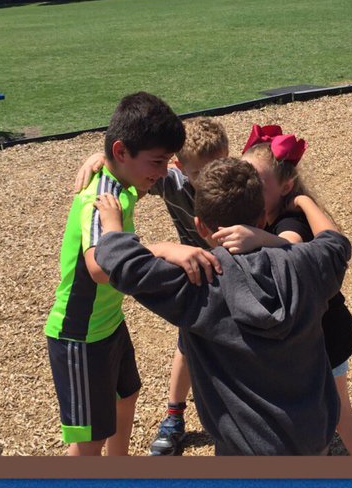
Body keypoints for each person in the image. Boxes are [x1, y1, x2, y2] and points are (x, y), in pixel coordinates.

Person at [95, 156, 351, 455]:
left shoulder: (197, 285)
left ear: (200, 226)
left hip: (243, 451)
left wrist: (120, 229)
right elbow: (335, 243)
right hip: (312, 438)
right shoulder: (304, 265)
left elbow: (121, 263)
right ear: (260, 220)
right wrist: (304, 202)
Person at [44, 92, 220, 456]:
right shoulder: (100, 198)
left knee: (127, 394)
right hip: (80, 332)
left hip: (107, 322)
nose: (159, 173)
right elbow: (98, 267)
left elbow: (127, 169)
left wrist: (101, 156)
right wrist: (163, 248)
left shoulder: (122, 182)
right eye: (156, 162)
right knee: (88, 442)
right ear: (123, 152)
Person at [212, 124, 352, 456]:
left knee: (341, 414)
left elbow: (293, 246)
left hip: (325, 336)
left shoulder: (291, 219)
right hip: (306, 333)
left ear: (286, 186)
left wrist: (261, 238)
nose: (248, 187)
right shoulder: (262, 211)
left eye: (258, 182)